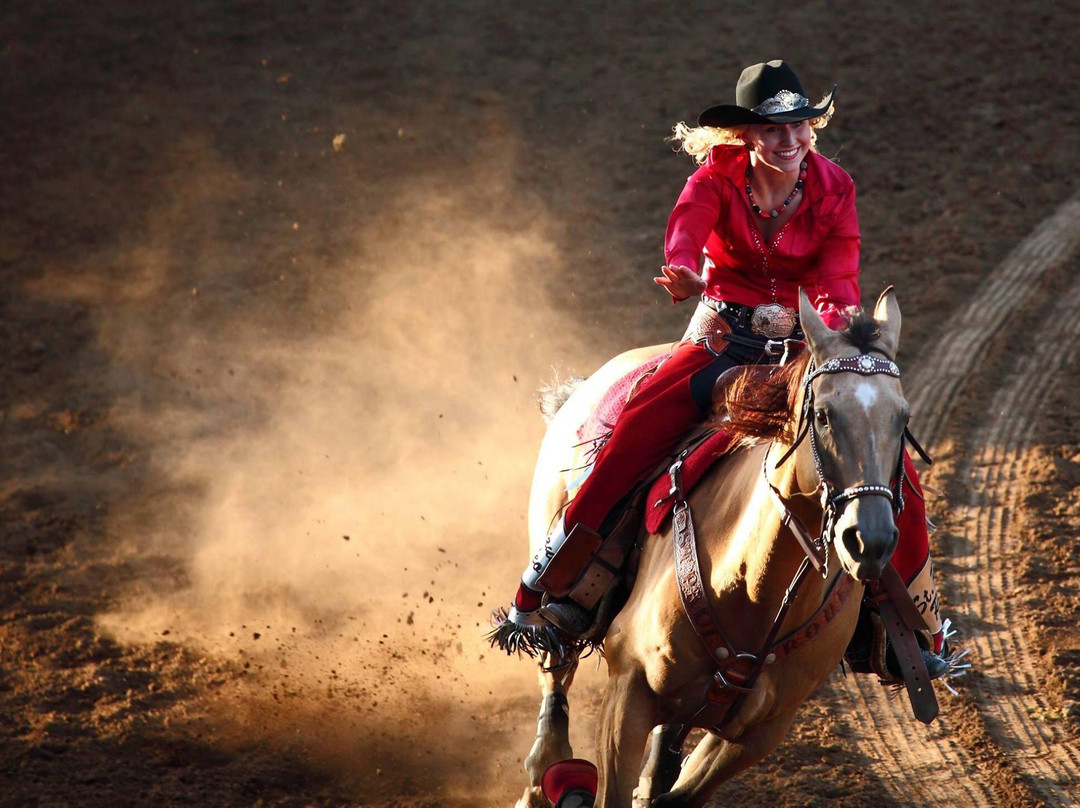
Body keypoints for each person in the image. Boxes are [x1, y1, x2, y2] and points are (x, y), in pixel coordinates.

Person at [491, 60, 951, 677]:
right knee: (631, 438)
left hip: (803, 349)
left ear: (813, 128)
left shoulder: (836, 186)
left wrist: (837, 323)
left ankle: (914, 629)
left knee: (889, 467)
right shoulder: (715, 178)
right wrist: (682, 269)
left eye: (800, 126)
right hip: (720, 339)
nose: (789, 140)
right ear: (745, 137)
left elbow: (839, 272)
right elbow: (685, 231)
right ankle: (555, 587)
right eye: (772, 129)